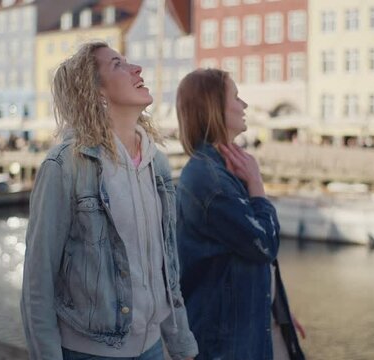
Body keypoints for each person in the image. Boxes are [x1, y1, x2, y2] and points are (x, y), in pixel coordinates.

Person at [21, 41, 198, 360]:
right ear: (97, 91)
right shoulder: (65, 165)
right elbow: (38, 283)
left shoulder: (156, 162)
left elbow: (166, 267)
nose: (137, 69)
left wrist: (181, 344)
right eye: (118, 65)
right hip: (91, 352)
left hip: (153, 348)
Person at [174, 68, 305, 360]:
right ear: (214, 107)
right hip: (228, 346)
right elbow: (265, 244)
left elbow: (247, 260)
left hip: (245, 334)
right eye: (236, 96)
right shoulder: (211, 181)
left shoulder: (222, 170)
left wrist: (278, 312)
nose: (244, 105)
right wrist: (257, 185)